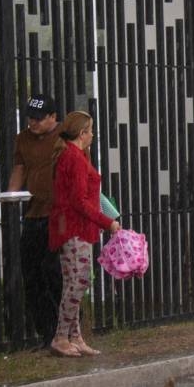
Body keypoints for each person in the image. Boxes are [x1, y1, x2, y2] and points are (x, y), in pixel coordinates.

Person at [48, 111, 120, 357]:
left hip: (72, 226)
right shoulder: (75, 158)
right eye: (90, 130)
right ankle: (61, 336)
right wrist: (106, 222)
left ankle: (74, 336)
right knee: (79, 281)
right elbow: (79, 200)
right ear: (81, 133)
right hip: (75, 227)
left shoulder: (72, 155)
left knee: (74, 281)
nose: (92, 135)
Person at [7, 94, 63, 349]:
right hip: (33, 214)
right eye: (30, 117)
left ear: (53, 117)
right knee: (32, 275)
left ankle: (64, 330)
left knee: (55, 273)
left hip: (57, 214)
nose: (34, 123)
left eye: (39, 119)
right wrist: (11, 194)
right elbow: (19, 167)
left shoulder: (65, 136)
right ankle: (46, 332)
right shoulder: (23, 139)